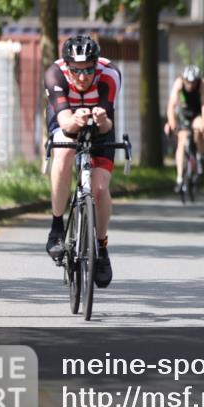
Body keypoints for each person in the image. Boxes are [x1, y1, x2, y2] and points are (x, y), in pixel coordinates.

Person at [44, 35, 122, 288]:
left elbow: (108, 124)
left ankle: (101, 248)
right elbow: (66, 122)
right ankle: (57, 227)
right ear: (67, 66)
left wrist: (100, 119)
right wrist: (76, 120)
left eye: (88, 69)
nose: (82, 76)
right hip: (66, 117)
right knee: (64, 153)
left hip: (100, 126)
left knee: (99, 188)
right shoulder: (55, 74)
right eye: (76, 71)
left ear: (96, 64)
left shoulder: (109, 74)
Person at [165, 65, 204, 191]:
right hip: (183, 114)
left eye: (193, 82)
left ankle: (200, 157)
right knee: (181, 142)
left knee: (198, 129)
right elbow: (171, 105)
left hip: (196, 114)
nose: (191, 85)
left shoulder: (203, 84)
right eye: (188, 82)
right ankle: (180, 177)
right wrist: (171, 122)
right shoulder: (179, 83)